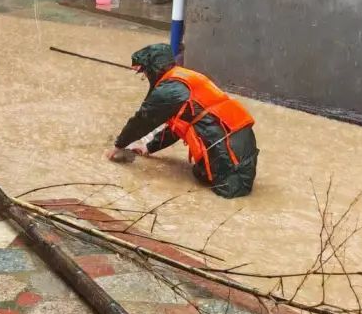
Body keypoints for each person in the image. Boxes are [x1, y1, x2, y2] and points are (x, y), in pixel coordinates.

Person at [105, 43, 258, 198]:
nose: (144, 77)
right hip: (238, 144)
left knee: (223, 189)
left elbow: (143, 120)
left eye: (144, 71)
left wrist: (118, 146)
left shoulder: (170, 89)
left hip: (228, 149)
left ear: (153, 68)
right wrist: (149, 147)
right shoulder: (182, 78)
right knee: (201, 174)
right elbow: (179, 125)